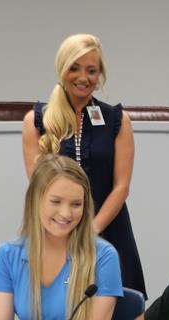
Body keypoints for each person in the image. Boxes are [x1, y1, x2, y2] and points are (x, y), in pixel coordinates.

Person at [22, 33, 146, 304]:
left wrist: (92, 229)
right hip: (57, 231)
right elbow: (38, 188)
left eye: (92, 70)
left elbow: (122, 186)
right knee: (60, 309)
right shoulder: (36, 121)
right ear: (62, 69)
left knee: (117, 312)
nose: (83, 77)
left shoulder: (117, 119)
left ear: (100, 73)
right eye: (75, 68)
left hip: (110, 230)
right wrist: (70, 231)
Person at [0, 154, 122, 320]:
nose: (66, 213)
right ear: (34, 200)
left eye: (76, 204)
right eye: (56, 201)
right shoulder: (7, 256)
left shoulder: (104, 256)